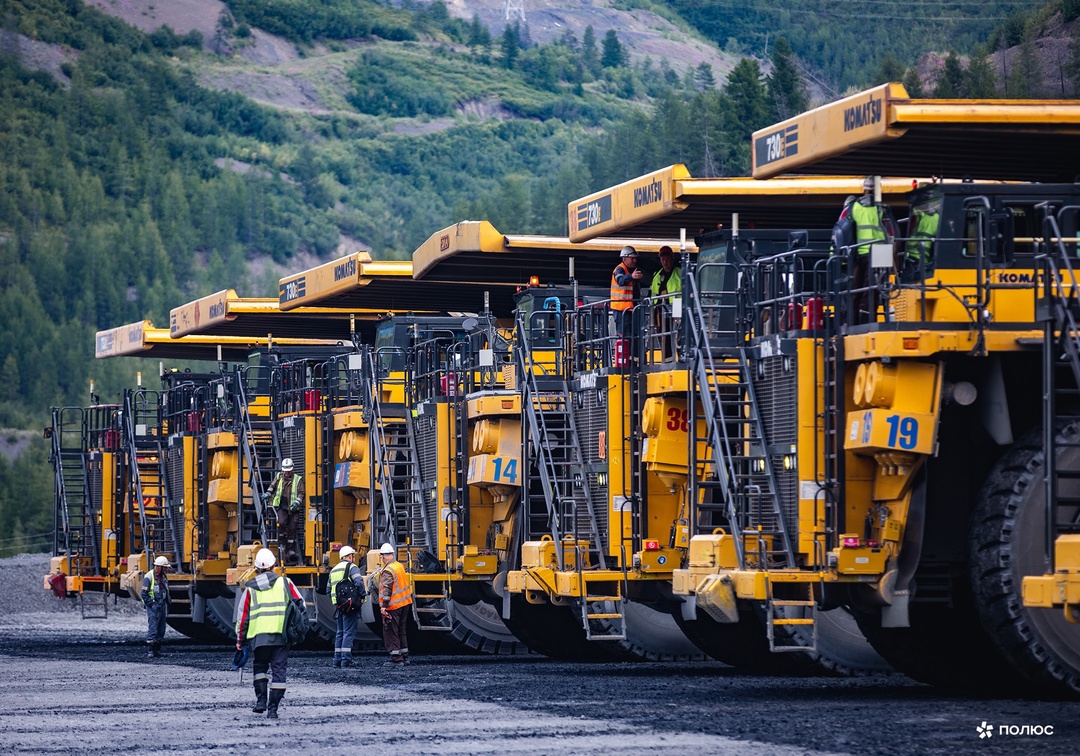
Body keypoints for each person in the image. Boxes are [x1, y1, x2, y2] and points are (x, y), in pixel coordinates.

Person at [235, 547, 305, 719]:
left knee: (259, 667)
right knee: (279, 671)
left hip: (258, 638)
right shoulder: (285, 583)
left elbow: (243, 616)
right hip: (281, 637)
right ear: (274, 566)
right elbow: (300, 604)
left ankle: (261, 701)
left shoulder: (250, 589)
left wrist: (240, 639)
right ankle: (273, 709)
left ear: (257, 568)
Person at [836, 176, 896, 323]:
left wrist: (843, 256)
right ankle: (867, 319)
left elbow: (841, 231)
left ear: (864, 190)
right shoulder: (882, 208)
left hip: (856, 253)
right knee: (873, 289)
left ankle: (852, 320)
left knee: (855, 289)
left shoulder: (852, 207)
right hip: (879, 252)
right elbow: (892, 234)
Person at [329, 545, 366, 668]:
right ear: (350, 556)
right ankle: (346, 660)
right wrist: (362, 596)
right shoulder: (352, 567)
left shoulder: (333, 570)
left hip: (338, 605)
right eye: (353, 555)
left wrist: (336, 602)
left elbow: (328, 590)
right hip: (350, 605)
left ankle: (337, 659)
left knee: (340, 632)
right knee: (348, 632)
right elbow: (359, 582)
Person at [376, 542, 412, 667]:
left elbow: (387, 590)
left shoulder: (388, 570)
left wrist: (384, 606)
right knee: (401, 630)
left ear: (383, 556)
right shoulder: (399, 566)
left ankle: (396, 658)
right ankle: (404, 656)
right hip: (405, 603)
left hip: (393, 606)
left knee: (390, 631)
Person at [266, 457, 304, 565]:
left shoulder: (298, 479)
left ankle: (290, 550)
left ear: (292, 469)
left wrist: (297, 502)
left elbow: (301, 493)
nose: (287, 472)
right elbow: (272, 487)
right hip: (281, 507)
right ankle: (282, 544)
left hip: (293, 509)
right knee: (281, 523)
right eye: (285, 470)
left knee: (292, 527)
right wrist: (268, 494)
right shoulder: (279, 477)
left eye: (288, 470)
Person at [650, 246, 682, 358]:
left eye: (667, 259)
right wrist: (653, 313)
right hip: (661, 312)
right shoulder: (657, 276)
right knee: (664, 338)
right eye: (663, 259)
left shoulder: (680, 273)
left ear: (672, 258)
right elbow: (652, 296)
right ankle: (667, 360)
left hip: (677, 311)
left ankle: (682, 359)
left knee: (679, 337)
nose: (665, 262)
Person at [901, 201, 940, 283]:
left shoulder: (920, 214)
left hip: (912, 254)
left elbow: (914, 211)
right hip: (924, 256)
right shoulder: (938, 218)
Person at [141, 555, 171, 658]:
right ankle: (150, 651)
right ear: (159, 567)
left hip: (161, 605)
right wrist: (152, 605)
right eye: (165, 567)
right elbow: (144, 594)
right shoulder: (149, 577)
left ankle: (157, 650)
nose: (166, 569)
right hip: (153, 606)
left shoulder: (163, 576)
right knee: (153, 628)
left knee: (161, 629)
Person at [611, 245, 644, 337]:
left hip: (630, 308)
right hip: (621, 309)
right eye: (632, 258)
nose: (635, 260)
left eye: (635, 258)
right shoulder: (620, 269)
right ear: (625, 259)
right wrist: (631, 276)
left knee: (632, 335)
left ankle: (632, 351)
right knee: (624, 336)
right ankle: (626, 351)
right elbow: (621, 281)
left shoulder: (632, 270)